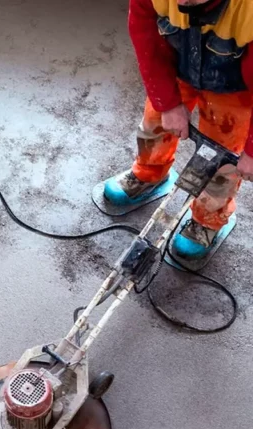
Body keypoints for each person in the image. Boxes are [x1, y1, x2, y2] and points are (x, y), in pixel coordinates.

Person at [103, 0, 253, 259]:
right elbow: (145, 36)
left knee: (223, 160)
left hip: (236, 86)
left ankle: (208, 218)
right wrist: (167, 102)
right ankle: (149, 174)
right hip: (177, 66)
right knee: (155, 124)